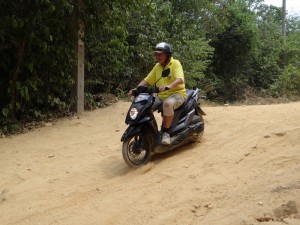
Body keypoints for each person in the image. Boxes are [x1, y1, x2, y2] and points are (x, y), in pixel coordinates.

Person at [128, 42, 186, 145]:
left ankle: (166, 133)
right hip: (161, 95)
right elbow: (147, 80)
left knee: (167, 104)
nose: (157, 56)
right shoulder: (157, 66)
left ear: (167, 54)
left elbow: (180, 79)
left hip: (177, 93)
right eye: (156, 54)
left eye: (160, 54)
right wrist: (136, 89)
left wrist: (169, 86)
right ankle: (150, 131)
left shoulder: (175, 63)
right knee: (145, 107)